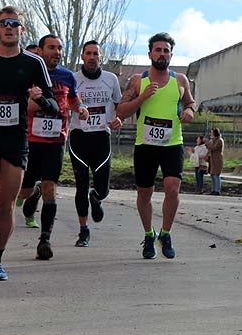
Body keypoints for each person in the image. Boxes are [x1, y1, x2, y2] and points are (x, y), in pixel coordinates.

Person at [0, 6, 58, 280]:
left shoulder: (33, 63)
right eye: (3, 23)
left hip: (16, 140)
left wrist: (40, 98)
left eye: (14, 23)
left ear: (21, 29)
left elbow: (53, 105)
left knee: (6, 205)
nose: (8, 27)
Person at [115, 32, 196, 260]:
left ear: (171, 54)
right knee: (145, 192)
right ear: (150, 53)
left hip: (172, 143)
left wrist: (189, 111)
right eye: (158, 50)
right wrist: (142, 98)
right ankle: (149, 234)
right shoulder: (137, 81)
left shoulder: (180, 80)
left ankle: (166, 233)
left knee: (172, 188)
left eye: (166, 50)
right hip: (146, 145)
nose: (162, 54)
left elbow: (190, 102)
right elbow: (121, 110)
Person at [17, 34, 87, 260]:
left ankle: (45, 240)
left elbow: (73, 100)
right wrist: (35, 101)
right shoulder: (28, 73)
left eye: (59, 48)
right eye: (51, 48)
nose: (56, 52)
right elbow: (20, 108)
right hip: (30, 140)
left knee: (50, 187)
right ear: (40, 50)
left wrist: (81, 108)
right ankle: (28, 192)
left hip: (56, 141)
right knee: (25, 190)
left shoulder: (67, 76)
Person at [66, 40, 121, 248]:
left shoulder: (111, 79)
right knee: (81, 184)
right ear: (82, 56)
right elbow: (66, 103)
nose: (91, 57)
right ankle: (83, 230)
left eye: (95, 53)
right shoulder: (73, 79)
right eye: (87, 53)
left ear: (101, 57)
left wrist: (119, 118)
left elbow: (119, 104)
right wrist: (77, 108)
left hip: (101, 137)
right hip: (79, 136)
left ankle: (97, 198)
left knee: (102, 186)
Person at [206, 128, 224, 195]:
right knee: (213, 175)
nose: (210, 134)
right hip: (212, 160)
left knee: (216, 175)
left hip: (217, 160)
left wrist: (207, 143)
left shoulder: (219, 140)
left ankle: (217, 190)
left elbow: (213, 148)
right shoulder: (213, 140)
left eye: (211, 132)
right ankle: (213, 190)